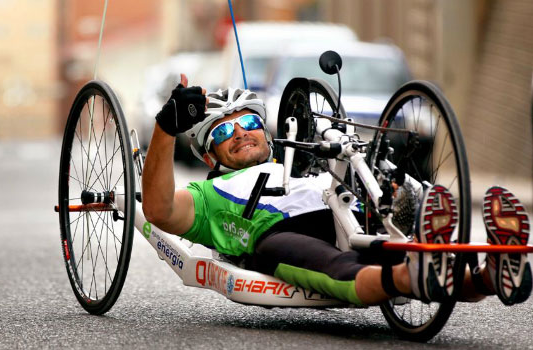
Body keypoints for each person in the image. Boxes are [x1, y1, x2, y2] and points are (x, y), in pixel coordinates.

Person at [142, 74, 531, 306]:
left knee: (383, 196)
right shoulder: (208, 194)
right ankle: (417, 268)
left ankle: (488, 274)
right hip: (278, 234)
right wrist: (165, 127)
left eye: (248, 123)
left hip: (343, 210)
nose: (240, 132)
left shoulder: (303, 162)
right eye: (224, 132)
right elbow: (159, 210)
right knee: (336, 267)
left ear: (267, 130)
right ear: (210, 158)